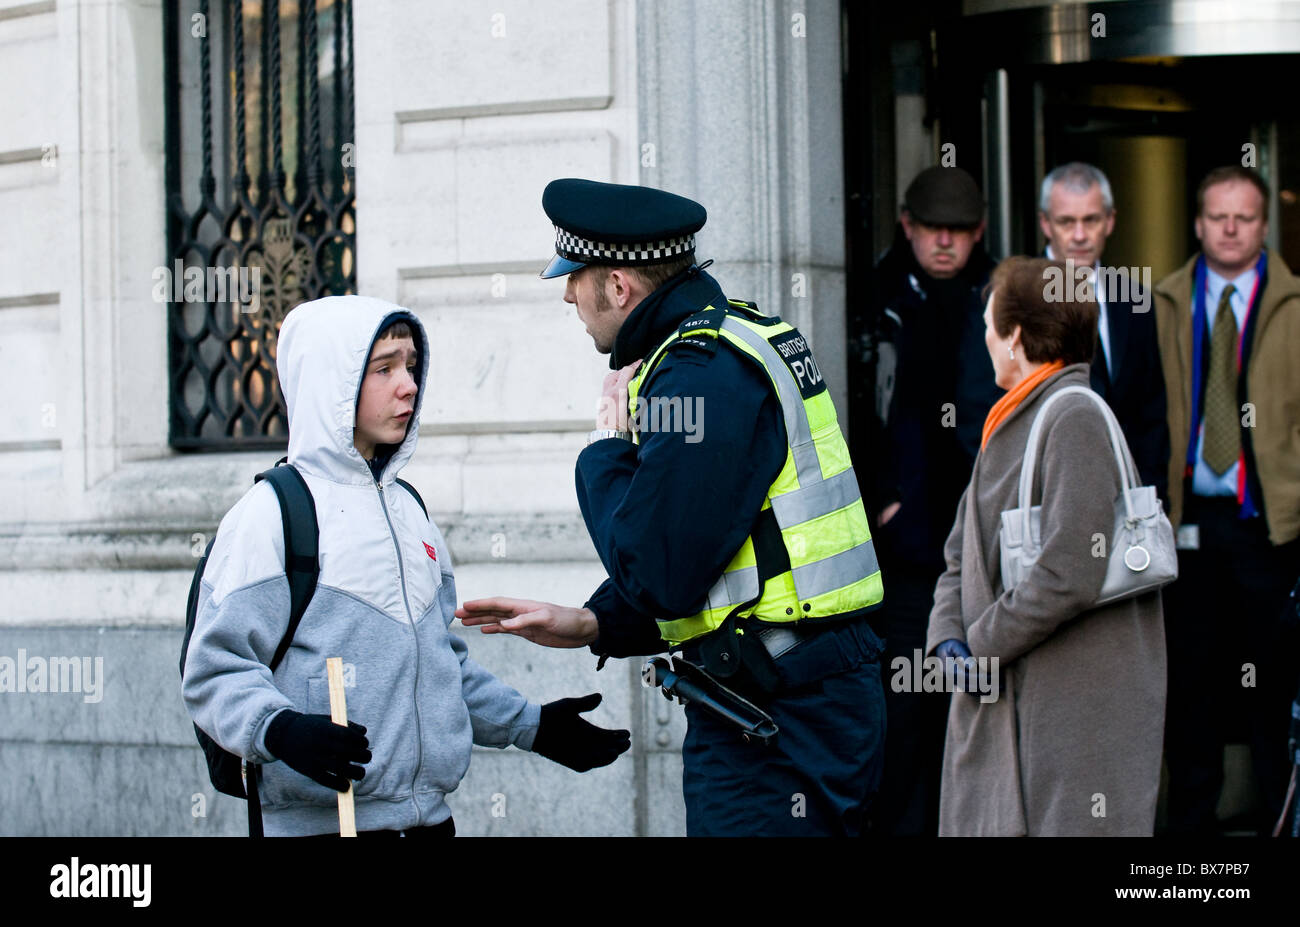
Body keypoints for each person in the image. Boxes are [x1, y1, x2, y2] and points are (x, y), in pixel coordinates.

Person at [457, 178, 887, 836]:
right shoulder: (738, 338)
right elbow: (723, 550)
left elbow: (660, 570)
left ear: (620, 286)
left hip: (777, 722)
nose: (569, 294)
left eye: (575, 277)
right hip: (800, 699)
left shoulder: (699, 372)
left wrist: (603, 445)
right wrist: (594, 620)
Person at [182, 295, 629, 837]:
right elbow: (213, 669)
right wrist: (278, 729)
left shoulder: (410, 512)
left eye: (412, 365)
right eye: (384, 368)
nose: (408, 385)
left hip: (429, 824)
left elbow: (439, 667)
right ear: (332, 380)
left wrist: (532, 726)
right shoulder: (270, 515)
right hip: (321, 829)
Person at [926, 256, 1166, 836]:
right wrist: (944, 642)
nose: (983, 336)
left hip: (1068, 709)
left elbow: (1071, 570)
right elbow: (959, 554)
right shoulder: (1010, 418)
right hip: (1011, 694)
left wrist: (976, 646)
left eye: (991, 323)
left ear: (1016, 337)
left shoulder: (1073, 415)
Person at [853, 165, 1001, 835]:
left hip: (986, 548)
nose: (945, 243)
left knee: (976, 721)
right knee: (905, 721)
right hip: (907, 553)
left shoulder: (1004, 297)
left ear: (979, 232)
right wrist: (880, 497)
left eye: (959, 232)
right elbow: (848, 411)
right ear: (907, 226)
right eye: (932, 229)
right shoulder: (869, 297)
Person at [1153, 165, 1300, 835]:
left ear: (1265, 225)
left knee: (1273, 688)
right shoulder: (1161, 303)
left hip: (1270, 527)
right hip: (1187, 526)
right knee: (1191, 688)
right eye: (1219, 216)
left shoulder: (1295, 306)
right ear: (1198, 224)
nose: (1232, 227)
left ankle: (1278, 822)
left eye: (1245, 216)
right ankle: (1188, 838)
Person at [1038, 161, 1169, 498]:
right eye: (1067, 221)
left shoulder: (1136, 300)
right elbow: (984, 411)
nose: (1080, 235)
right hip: (1046, 503)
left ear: (1109, 221)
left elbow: (1151, 413)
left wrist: (1151, 498)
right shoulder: (1013, 299)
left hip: (1126, 502)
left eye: (1091, 220)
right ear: (1045, 224)